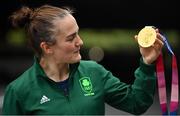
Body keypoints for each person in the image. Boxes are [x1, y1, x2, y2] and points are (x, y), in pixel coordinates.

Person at [2, 4, 164, 115]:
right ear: (47, 47)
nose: (80, 42)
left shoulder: (94, 72)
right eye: (71, 38)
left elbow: (136, 103)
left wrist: (147, 63)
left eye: (78, 33)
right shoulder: (18, 91)